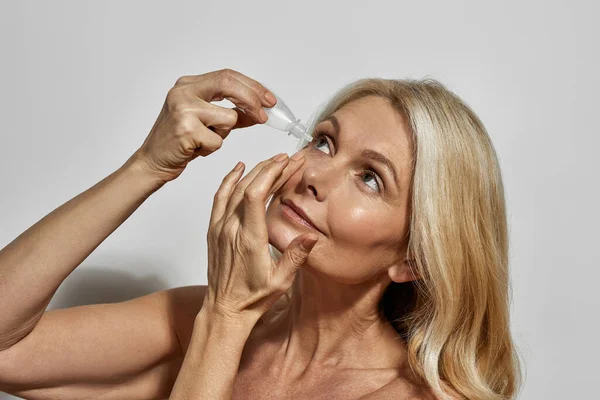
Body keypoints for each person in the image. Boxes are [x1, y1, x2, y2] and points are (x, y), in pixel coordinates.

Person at [0, 68, 521, 400]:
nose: (313, 175)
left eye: (370, 177)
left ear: (412, 258)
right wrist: (148, 166)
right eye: (323, 142)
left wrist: (225, 322)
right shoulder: (199, 321)